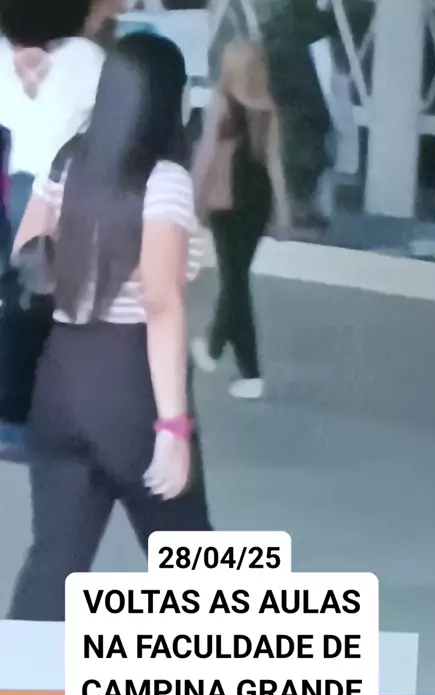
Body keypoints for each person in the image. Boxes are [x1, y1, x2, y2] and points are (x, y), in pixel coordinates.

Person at [7, 32, 212, 622]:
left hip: (60, 380)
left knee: (54, 564)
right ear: (169, 98)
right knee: (196, 567)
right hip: (129, 385)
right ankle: (221, 680)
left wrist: (87, 260)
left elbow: (27, 255)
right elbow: (162, 304)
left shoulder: (69, 161)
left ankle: (14, 678)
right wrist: (172, 428)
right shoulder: (163, 180)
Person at [0, 0, 105, 452]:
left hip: (18, 184)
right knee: (61, 305)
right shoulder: (85, 58)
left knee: (19, 301)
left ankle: (12, 416)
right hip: (66, 186)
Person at [191, 41, 289, 399]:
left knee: (234, 283)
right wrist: (282, 210)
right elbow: (274, 163)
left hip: (227, 201)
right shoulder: (268, 109)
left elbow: (206, 155)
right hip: (257, 202)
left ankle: (249, 372)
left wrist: (193, 198)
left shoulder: (221, 103)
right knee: (236, 277)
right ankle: (214, 348)